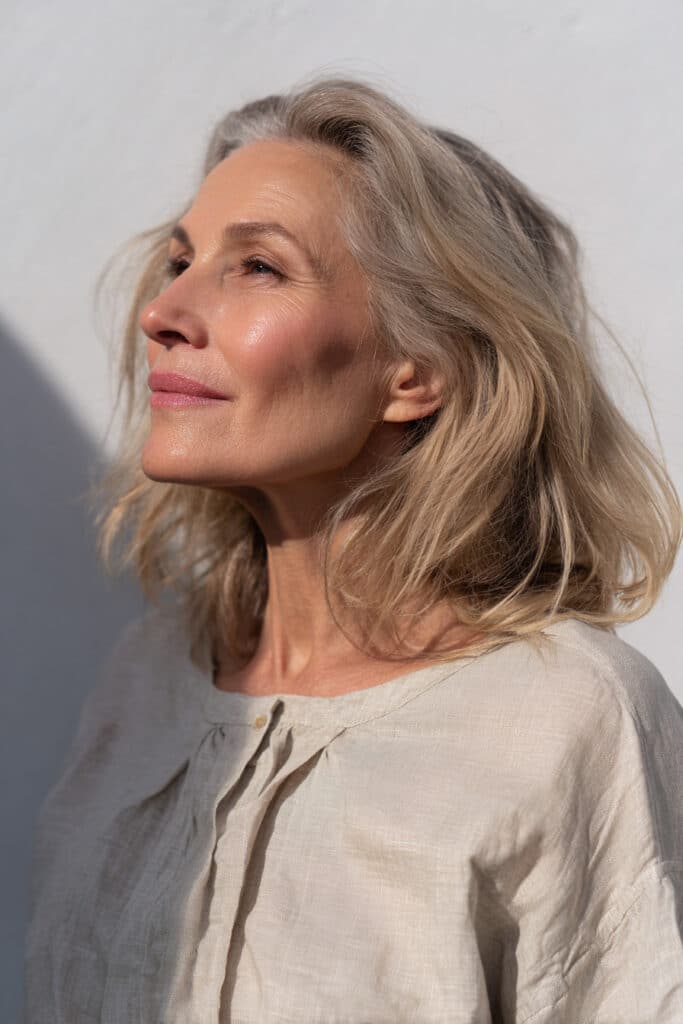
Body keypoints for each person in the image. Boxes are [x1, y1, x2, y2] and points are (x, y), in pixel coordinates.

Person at [24, 74, 683, 1023]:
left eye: (256, 267)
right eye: (182, 260)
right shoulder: (149, 677)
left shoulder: (566, 719)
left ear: (419, 371)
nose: (162, 312)